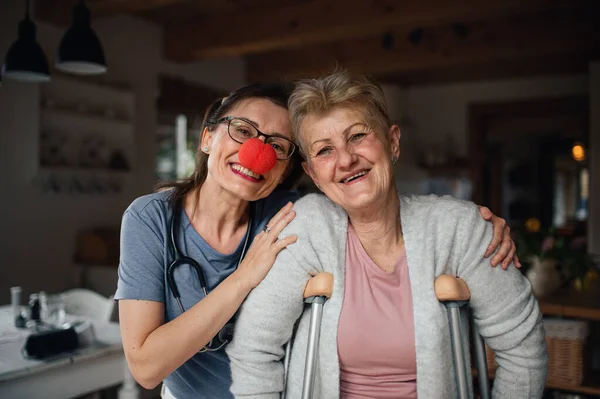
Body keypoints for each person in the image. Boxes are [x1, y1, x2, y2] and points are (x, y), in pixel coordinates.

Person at [115, 81, 518, 399]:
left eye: (278, 146)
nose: (257, 152)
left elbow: (375, 204)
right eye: (242, 131)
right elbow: (146, 368)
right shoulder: (151, 218)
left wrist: (473, 227)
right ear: (207, 138)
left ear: (290, 167)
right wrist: (243, 278)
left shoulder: (293, 214)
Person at [227, 72, 547, 398]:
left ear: (392, 142)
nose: (346, 159)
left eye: (357, 137)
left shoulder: (460, 229)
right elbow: (255, 349)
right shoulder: (306, 229)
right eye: (324, 151)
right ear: (313, 174)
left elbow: (522, 347)